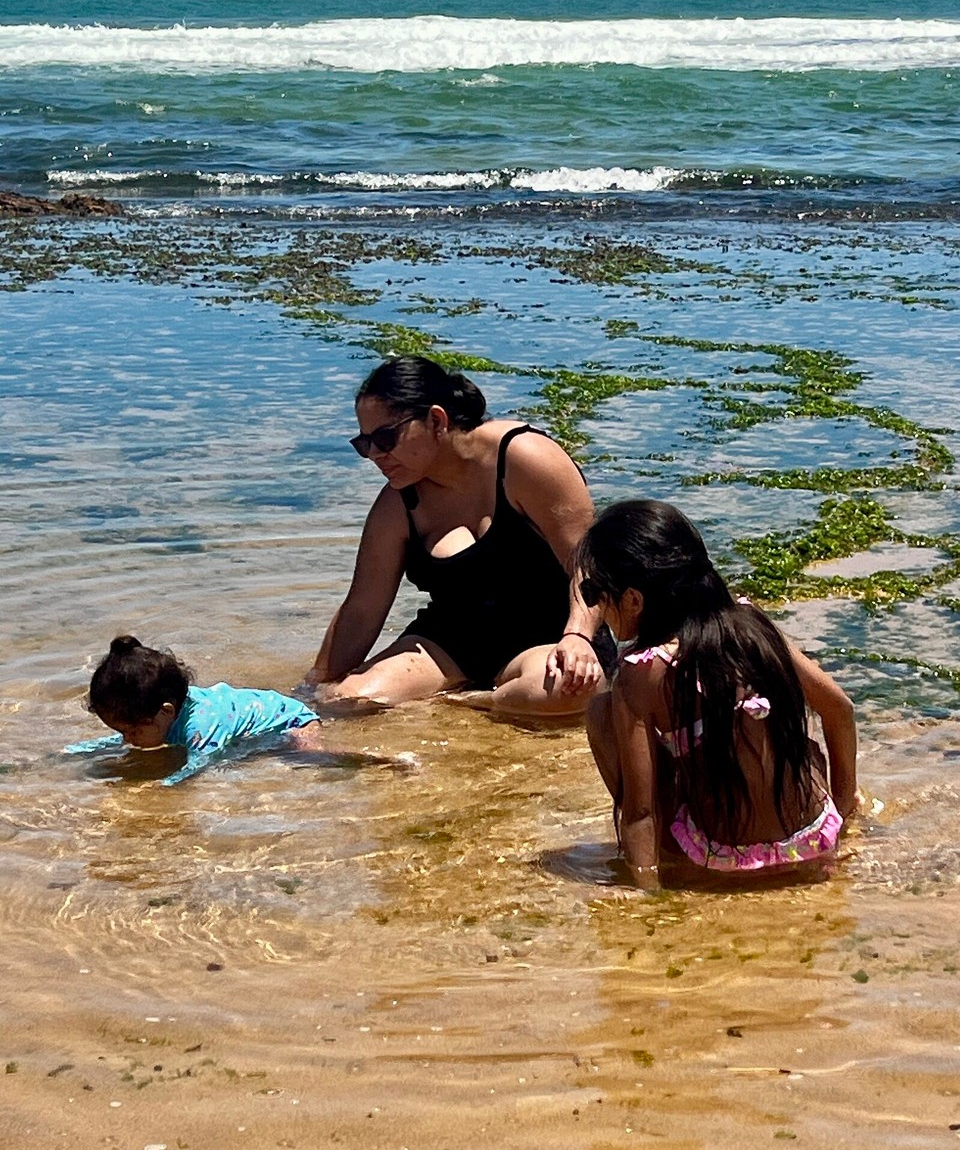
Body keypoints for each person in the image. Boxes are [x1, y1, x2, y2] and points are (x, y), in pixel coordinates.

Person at [578, 500, 858, 890]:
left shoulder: (640, 674)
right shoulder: (752, 625)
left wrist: (647, 894)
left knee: (601, 712)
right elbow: (840, 709)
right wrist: (843, 810)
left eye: (594, 591)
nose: (593, 604)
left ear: (633, 600)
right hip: (810, 841)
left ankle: (683, 861)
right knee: (802, 746)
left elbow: (641, 813)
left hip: (722, 859)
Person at [305, 355, 609, 713]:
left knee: (567, 690)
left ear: (436, 420)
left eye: (385, 438)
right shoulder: (398, 502)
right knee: (345, 699)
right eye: (364, 443)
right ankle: (482, 697)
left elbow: (589, 566)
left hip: (551, 633)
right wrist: (310, 692)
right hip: (451, 642)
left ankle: (472, 702)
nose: (373, 454)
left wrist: (577, 636)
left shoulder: (525, 459)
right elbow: (362, 608)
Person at [67, 635, 335, 786]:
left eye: (132, 731)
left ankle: (347, 762)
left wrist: (165, 783)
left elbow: (201, 762)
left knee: (309, 758)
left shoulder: (200, 726)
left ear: (166, 712)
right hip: (262, 713)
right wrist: (81, 750)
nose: (126, 739)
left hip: (293, 722)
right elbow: (123, 737)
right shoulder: (159, 711)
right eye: (121, 731)